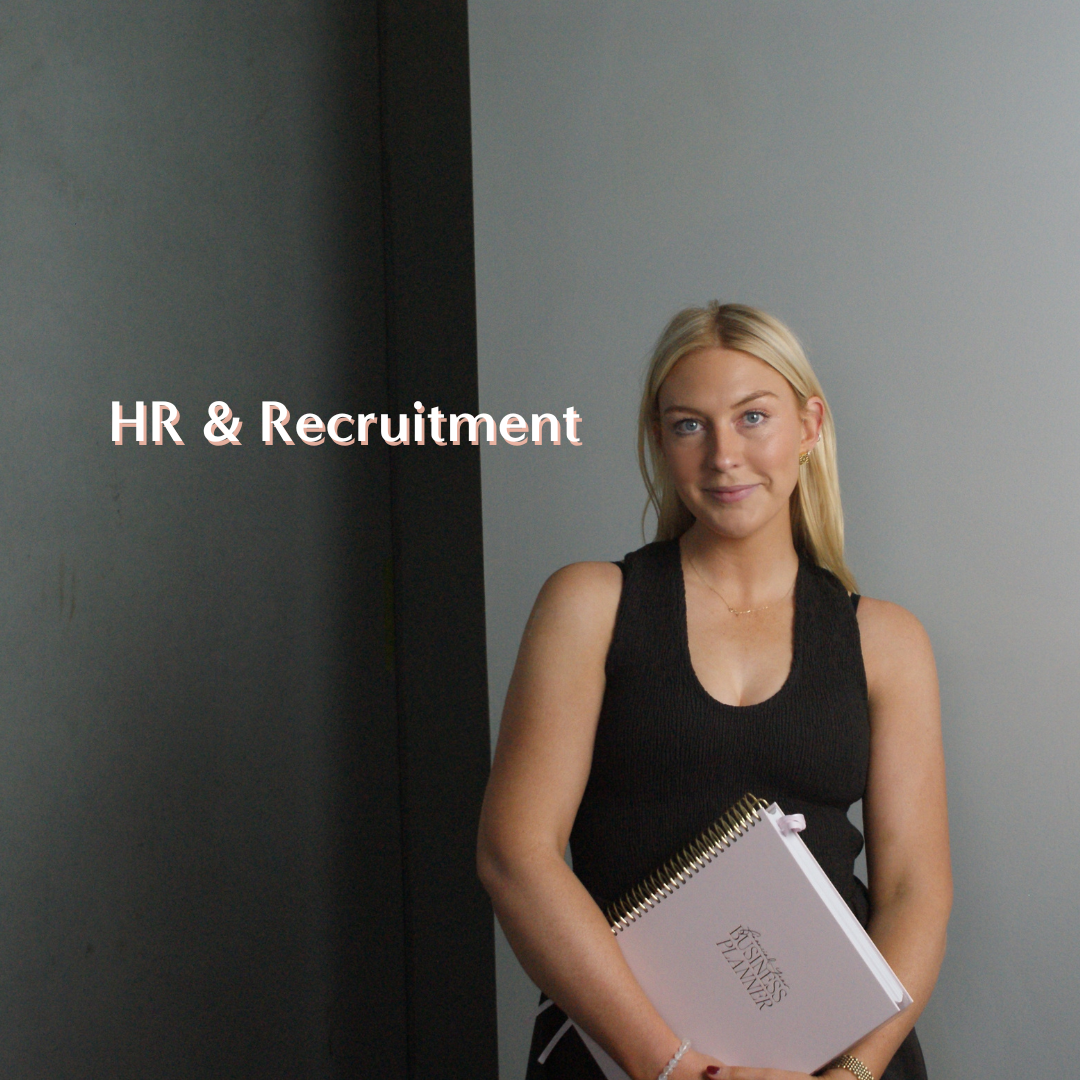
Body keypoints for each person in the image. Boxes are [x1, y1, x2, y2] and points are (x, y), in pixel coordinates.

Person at [477, 303, 952, 1080]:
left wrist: (856, 1073)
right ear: (660, 442)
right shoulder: (590, 605)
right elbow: (514, 856)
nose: (724, 456)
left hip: (840, 1059)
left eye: (753, 417)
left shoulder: (887, 641)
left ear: (809, 425)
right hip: (621, 1054)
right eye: (689, 425)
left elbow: (914, 892)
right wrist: (672, 1067)